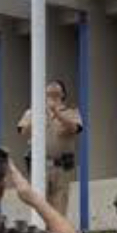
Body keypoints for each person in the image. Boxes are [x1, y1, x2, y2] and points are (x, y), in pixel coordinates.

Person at [17, 78, 85, 216]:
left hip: (62, 166)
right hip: (40, 166)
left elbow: (74, 128)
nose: (52, 88)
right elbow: (23, 131)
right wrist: (39, 113)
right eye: (49, 88)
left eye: (56, 87)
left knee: (59, 208)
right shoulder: (33, 112)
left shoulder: (71, 111)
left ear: (63, 94)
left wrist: (57, 113)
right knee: (40, 206)